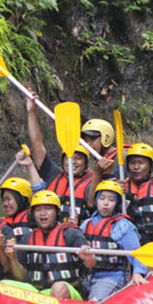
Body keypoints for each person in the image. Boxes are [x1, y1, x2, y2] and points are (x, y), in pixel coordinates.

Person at [0, 190, 95, 300]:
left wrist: (89, 259)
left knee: (58, 288)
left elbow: (90, 264)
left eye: (48, 208)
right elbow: (21, 276)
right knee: (3, 285)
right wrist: (12, 258)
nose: (42, 213)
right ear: (33, 214)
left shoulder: (71, 233)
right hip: (39, 292)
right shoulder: (27, 238)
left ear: (57, 212)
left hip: (69, 291)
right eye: (38, 209)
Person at [26, 93, 93, 224]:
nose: (72, 161)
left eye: (78, 158)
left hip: (78, 237)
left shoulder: (92, 182)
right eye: (69, 158)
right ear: (63, 161)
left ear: (86, 163)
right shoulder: (52, 175)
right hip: (52, 235)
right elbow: (37, 145)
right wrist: (31, 112)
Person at [80, 180, 147, 302]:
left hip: (112, 277)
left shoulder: (123, 226)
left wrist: (138, 272)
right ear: (96, 200)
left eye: (111, 200)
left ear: (117, 203)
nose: (105, 203)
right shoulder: (86, 224)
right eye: (102, 198)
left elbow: (136, 252)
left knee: (94, 301)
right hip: (87, 276)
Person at [81, 118, 122, 209]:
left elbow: (91, 204)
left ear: (106, 138)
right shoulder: (98, 163)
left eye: (92, 140)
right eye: (86, 141)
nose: (89, 145)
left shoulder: (121, 158)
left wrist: (97, 173)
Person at [0, 151, 45, 231]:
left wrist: (30, 165)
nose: (6, 204)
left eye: (9, 199)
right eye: (4, 200)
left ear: (22, 199)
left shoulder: (33, 216)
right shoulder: (4, 222)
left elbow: (39, 193)